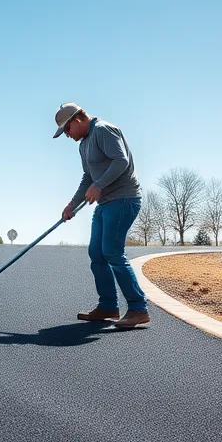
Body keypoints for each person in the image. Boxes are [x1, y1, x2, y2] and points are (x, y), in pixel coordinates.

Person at [54, 103, 150, 328]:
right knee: (96, 253)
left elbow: (121, 161)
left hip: (124, 199)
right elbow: (87, 177)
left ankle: (138, 308)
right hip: (106, 202)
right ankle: (108, 306)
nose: (67, 136)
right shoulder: (83, 144)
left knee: (112, 252)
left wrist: (99, 185)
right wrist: (72, 204)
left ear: (76, 121)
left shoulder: (103, 130)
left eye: (67, 130)